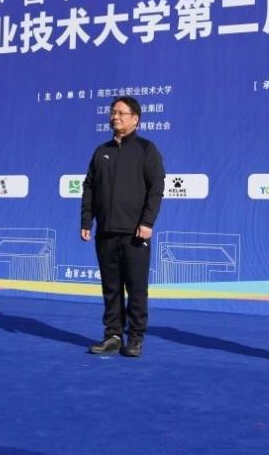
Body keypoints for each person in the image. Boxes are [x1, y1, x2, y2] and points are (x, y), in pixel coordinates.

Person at [80, 96, 164, 358]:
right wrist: (87, 220)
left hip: (135, 234)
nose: (114, 117)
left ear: (135, 119)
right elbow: (89, 187)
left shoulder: (146, 149)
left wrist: (147, 222)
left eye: (120, 113)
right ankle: (113, 335)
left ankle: (135, 338)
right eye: (112, 112)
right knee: (111, 287)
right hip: (105, 232)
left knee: (136, 288)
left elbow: (156, 188)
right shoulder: (101, 151)